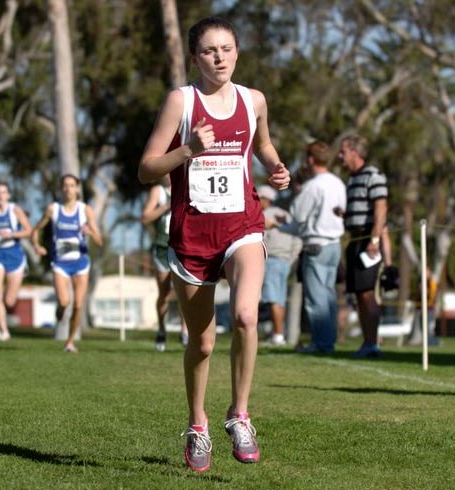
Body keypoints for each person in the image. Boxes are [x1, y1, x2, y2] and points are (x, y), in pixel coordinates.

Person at [138, 16, 290, 472]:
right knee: (201, 344)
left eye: (226, 48)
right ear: (195, 58)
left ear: (237, 52)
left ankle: (239, 414)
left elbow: (261, 146)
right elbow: (146, 169)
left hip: (242, 224)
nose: (219, 57)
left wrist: (277, 167)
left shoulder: (254, 100)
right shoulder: (180, 102)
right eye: (209, 51)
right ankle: (197, 422)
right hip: (192, 233)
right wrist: (188, 151)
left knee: (246, 315)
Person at [31, 174, 103, 353]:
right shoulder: (53, 209)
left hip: (80, 262)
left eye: (72, 185)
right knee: (64, 302)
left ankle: (70, 342)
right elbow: (36, 229)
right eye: (65, 186)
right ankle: (60, 311)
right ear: (61, 189)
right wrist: (37, 246)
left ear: (77, 189)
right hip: (60, 263)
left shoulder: (84, 210)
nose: (68, 189)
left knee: (78, 305)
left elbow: (99, 240)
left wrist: (90, 232)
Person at [287, 141, 346, 354]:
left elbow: (298, 214)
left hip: (316, 244)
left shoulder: (314, 185)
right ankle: (328, 340)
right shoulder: (338, 183)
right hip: (334, 245)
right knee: (328, 295)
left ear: (310, 160)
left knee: (316, 297)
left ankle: (322, 343)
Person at [339, 134, 388, 358]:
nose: (340, 156)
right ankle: (367, 342)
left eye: (344, 152)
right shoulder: (352, 179)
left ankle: (373, 343)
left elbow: (380, 209)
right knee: (359, 294)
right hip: (354, 240)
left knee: (368, 294)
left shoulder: (373, 175)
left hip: (368, 241)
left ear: (355, 153)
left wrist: (375, 240)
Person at [141, 174, 188, 351]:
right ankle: (161, 329)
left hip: (183, 246)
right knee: (165, 293)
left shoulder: (186, 188)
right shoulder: (158, 192)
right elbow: (145, 217)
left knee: (185, 292)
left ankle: (185, 332)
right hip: (162, 247)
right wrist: (167, 206)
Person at [0, 182, 32, 341]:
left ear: (8, 195)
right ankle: (4, 331)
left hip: (14, 256)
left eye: (3, 192)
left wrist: (12, 234)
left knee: (9, 301)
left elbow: (28, 230)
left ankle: (4, 324)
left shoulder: (14, 210)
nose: (0, 196)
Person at [257, 184, 301, 346]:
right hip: (285, 262)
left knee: (273, 299)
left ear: (265, 199)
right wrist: (291, 259)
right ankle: (278, 335)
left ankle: (277, 335)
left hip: (272, 260)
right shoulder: (286, 215)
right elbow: (297, 240)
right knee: (279, 300)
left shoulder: (264, 216)